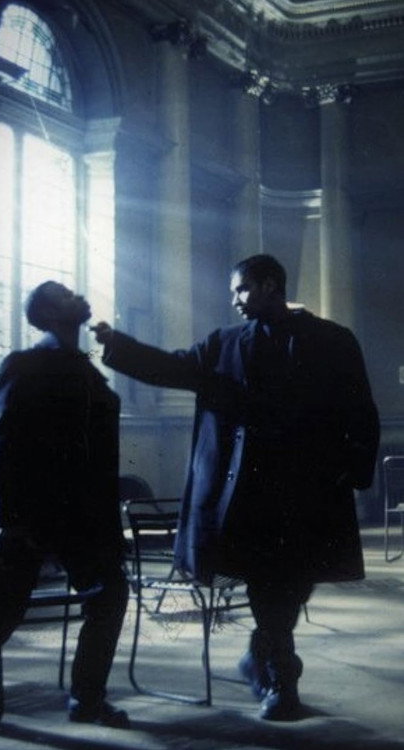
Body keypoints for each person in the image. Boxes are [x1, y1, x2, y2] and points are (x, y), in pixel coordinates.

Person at [93, 254, 379, 721]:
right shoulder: (224, 344)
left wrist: (353, 473)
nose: (235, 300)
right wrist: (118, 346)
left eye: (242, 289)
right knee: (272, 586)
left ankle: (259, 656)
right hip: (249, 494)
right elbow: (174, 368)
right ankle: (282, 684)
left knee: (295, 583)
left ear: (269, 285)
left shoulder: (333, 340)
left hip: (310, 492)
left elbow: (360, 410)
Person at [0, 281, 130, 728]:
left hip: (82, 516)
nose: (76, 295)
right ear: (49, 313)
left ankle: (87, 699)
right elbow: (1, 446)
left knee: (110, 595)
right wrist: (11, 520)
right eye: (63, 294)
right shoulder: (24, 364)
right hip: (30, 514)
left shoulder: (84, 366)